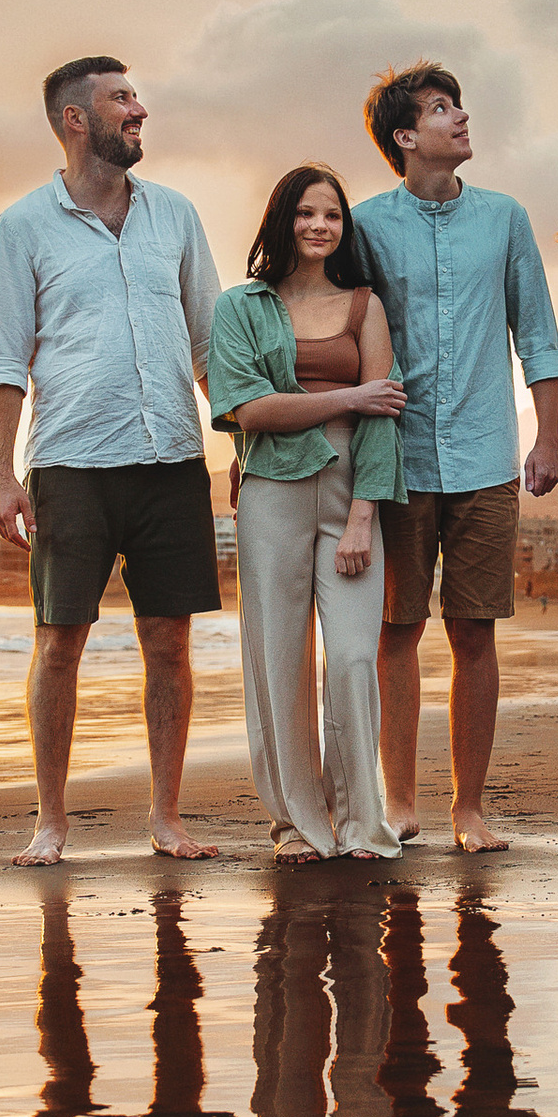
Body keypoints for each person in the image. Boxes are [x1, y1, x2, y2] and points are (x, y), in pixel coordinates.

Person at [0, 52, 223, 867]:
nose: (139, 110)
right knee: (59, 641)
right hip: (72, 465)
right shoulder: (21, 227)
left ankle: (166, 817)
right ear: (76, 119)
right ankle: (51, 821)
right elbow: (3, 358)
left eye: (137, 97)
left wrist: (245, 446)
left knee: (169, 644)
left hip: (171, 460)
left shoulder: (176, 216)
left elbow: (209, 345)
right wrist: (4, 477)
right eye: (122, 100)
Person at [353, 63, 558, 855]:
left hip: (485, 457)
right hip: (396, 460)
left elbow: (536, 334)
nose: (461, 116)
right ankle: (400, 803)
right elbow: (344, 335)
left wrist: (546, 437)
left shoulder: (504, 219)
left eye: (459, 104)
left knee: (475, 632)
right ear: (406, 138)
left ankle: (468, 810)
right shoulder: (366, 223)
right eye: (442, 109)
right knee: (396, 629)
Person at [207, 166, 408, 862]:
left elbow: (386, 423)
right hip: (270, 489)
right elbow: (245, 409)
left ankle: (359, 826)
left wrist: (362, 519)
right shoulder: (240, 307)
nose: (319, 226)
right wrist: (349, 398)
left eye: (332, 215)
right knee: (278, 662)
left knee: (353, 657)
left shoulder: (365, 307)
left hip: (350, 491)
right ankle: (298, 823)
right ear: (281, 220)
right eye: (305, 213)